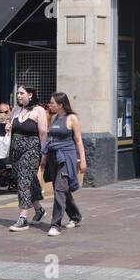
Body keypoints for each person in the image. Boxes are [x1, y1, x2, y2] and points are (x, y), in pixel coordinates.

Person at [41, 92, 87, 235]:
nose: (50, 104)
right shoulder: (54, 117)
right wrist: (44, 156)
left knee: (60, 189)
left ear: (60, 104)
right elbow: (49, 138)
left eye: (52, 102)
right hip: (53, 157)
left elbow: (78, 140)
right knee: (61, 189)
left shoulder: (72, 118)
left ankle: (55, 224)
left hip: (66, 157)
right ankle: (75, 216)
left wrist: (83, 160)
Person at [8, 86, 48, 230]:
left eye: (21, 93)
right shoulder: (16, 110)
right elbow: (10, 125)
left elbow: (43, 132)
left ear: (30, 95)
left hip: (32, 149)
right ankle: (39, 209)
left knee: (24, 180)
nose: (18, 95)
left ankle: (23, 217)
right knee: (30, 180)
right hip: (15, 151)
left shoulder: (39, 111)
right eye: (18, 93)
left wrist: (44, 153)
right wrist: (8, 126)